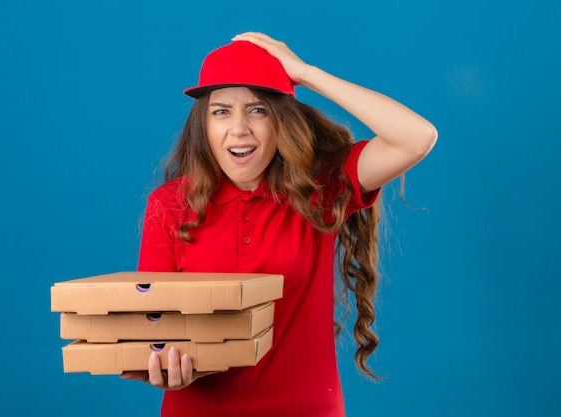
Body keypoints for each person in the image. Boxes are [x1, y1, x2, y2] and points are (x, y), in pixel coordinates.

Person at [121, 32, 437, 416]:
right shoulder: (170, 205)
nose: (239, 129)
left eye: (258, 110)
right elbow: (153, 328)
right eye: (221, 111)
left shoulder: (319, 187)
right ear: (202, 125)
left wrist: (307, 74)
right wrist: (160, 366)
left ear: (282, 121)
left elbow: (416, 138)